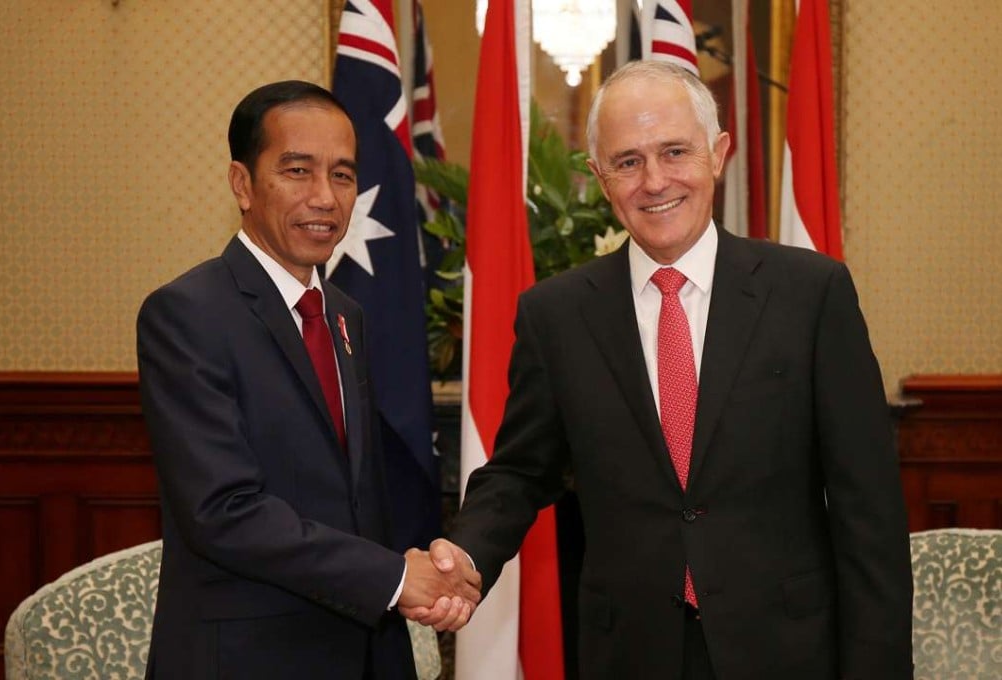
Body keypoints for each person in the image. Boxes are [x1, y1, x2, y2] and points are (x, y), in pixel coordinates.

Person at [405, 61, 913, 679]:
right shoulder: (557, 315)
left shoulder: (810, 293)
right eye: (628, 161)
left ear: (717, 153)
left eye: (675, 151)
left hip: (786, 649)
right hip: (629, 652)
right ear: (599, 177)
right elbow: (519, 470)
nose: (654, 181)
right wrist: (467, 555)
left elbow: (870, 510)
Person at [137, 80, 477, 680]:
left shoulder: (346, 315)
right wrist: (397, 578)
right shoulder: (187, 314)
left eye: (342, 175)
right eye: (297, 171)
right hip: (246, 660)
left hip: (363, 649)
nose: (325, 197)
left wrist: (426, 575)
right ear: (242, 183)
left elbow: (359, 497)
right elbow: (223, 510)